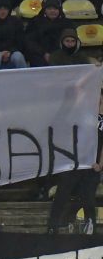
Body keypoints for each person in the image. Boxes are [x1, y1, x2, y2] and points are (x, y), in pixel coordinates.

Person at [47, 90, 103, 233]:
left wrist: (100, 164)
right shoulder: (82, 116)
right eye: (97, 101)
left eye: (101, 102)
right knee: (62, 193)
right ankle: (53, 226)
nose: (99, 104)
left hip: (92, 166)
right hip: (74, 163)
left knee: (88, 198)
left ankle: (90, 228)